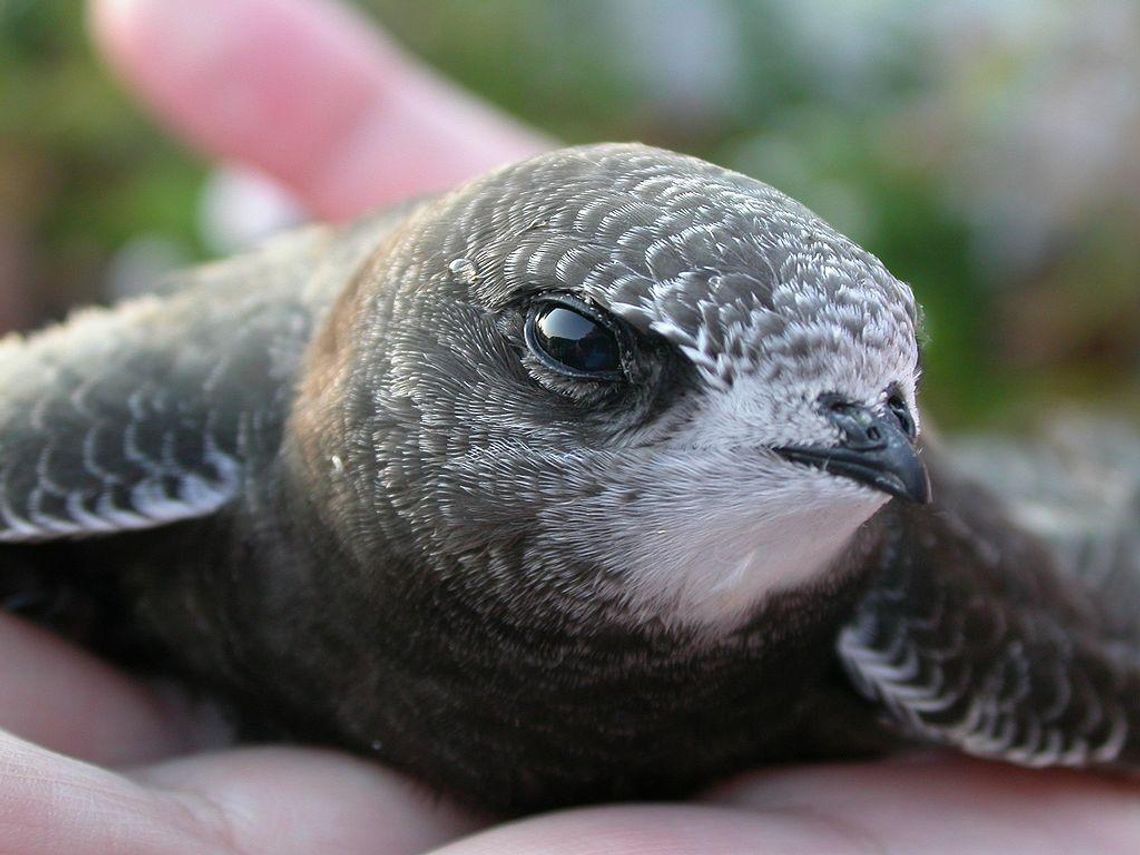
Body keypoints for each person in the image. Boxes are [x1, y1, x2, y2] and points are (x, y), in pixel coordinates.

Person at [1, 0, 1136, 851]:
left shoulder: (898, 554)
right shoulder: (181, 405)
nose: (873, 446)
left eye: (892, 391)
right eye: (588, 357)